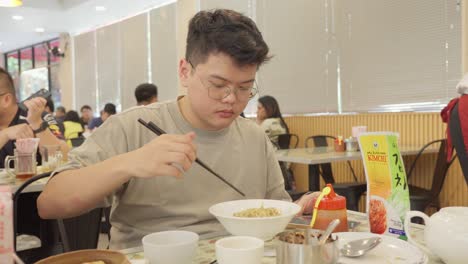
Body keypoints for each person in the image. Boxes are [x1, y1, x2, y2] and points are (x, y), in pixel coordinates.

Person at [37, 9, 313, 249]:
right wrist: (129, 163)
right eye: (218, 85)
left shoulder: (254, 137)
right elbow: (50, 203)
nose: (231, 99)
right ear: (185, 72)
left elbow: (277, 214)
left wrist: (300, 212)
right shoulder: (135, 126)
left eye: (244, 88)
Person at [0, 67, 69, 168]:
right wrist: (5, 134)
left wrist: (37, 124)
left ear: (6, 100)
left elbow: (64, 156)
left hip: (36, 183)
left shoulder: (38, 116)